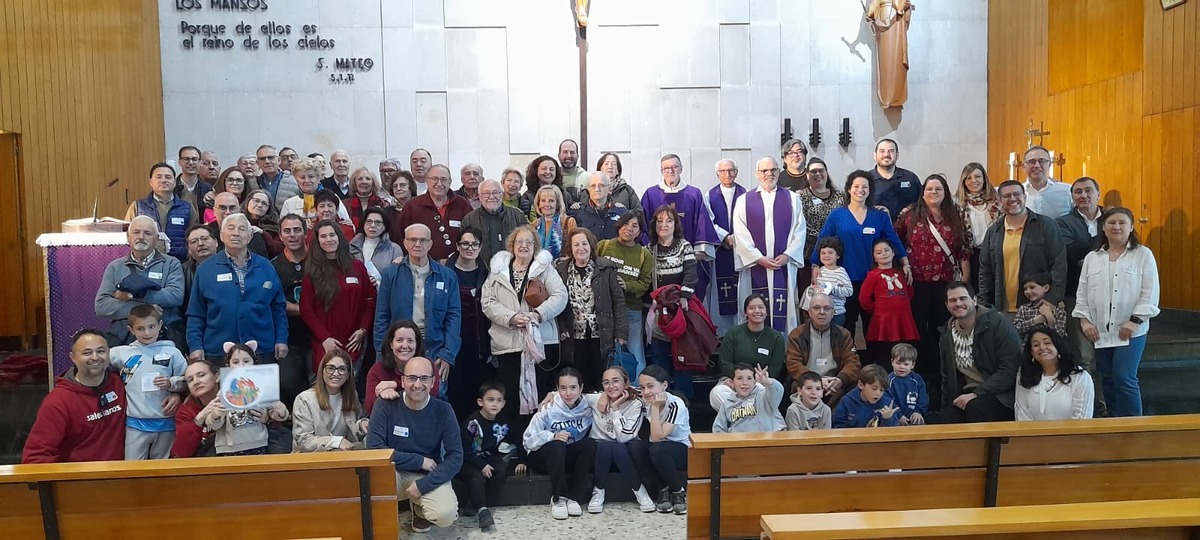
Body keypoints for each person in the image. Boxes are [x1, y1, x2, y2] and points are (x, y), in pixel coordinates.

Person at [480, 225, 569, 445]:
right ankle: (513, 443)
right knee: (510, 394)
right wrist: (511, 317)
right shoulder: (498, 271)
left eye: (529, 242)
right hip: (507, 342)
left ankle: (542, 441)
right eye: (520, 241)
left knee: (541, 393)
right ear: (512, 245)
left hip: (540, 343)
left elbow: (560, 295)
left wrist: (538, 314)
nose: (524, 246)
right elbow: (488, 302)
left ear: (535, 246)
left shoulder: (545, 269)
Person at [1074, 207, 1159, 417]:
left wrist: (1134, 321)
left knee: (1124, 377)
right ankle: (1114, 423)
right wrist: (1085, 321)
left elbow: (1150, 292)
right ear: (1103, 227)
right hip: (1100, 331)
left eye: (1122, 223)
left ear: (1131, 227)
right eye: (1111, 223)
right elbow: (1082, 292)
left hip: (1130, 330)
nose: (1117, 227)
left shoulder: (1143, 255)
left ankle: (1133, 426)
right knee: (1108, 378)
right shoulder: (1092, 257)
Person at [367, 356, 463, 533]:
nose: (417, 384)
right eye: (412, 378)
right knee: (365, 488)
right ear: (403, 381)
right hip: (393, 471)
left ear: (433, 382)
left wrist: (423, 485)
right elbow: (374, 448)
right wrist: (419, 461)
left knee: (445, 515)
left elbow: (455, 457)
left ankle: (419, 510)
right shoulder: (385, 405)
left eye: (424, 378)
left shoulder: (444, 410)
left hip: (426, 475)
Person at [893, 173, 969, 395]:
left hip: (946, 283)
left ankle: (942, 373)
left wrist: (965, 278)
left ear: (945, 192)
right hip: (917, 282)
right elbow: (895, 240)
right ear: (922, 192)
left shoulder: (955, 214)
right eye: (929, 189)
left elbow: (962, 247)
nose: (933, 193)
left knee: (943, 328)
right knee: (918, 328)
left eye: (938, 189)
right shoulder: (910, 215)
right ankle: (918, 373)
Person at [812, 170, 910, 340]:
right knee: (846, 325)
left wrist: (905, 262)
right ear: (849, 189)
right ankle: (847, 356)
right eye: (856, 186)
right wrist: (815, 265)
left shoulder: (879, 216)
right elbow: (823, 240)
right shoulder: (837, 215)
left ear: (870, 190)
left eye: (865, 187)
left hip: (874, 279)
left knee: (872, 325)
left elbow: (893, 239)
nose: (860, 190)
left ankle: (873, 357)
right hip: (844, 279)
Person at [372, 223, 462, 398]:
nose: (417, 244)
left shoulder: (447, 276)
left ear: (430, 244)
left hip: (434, 347)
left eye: (423, 240)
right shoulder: (391, 273)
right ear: (405, 243)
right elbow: (381, 316)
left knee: (435, 396)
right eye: (413, 240)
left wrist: (448, 354)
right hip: (399, 346)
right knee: (394, 395)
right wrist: (382, 352)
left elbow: (454, 316)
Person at [186, 214, 289, 364]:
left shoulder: (266, 266)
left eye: (242, 229)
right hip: (218, 351)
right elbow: (196, 313)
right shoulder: (206, 269)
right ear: (222, 235)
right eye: (231, 228)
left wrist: (281, 339)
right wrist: (195, 345)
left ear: (250, 236)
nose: (236, 233)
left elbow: (278, 307)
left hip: (261, 349)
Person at [22, 329, 127, 463]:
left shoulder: (121, 383)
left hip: (122, 473)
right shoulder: (58, 402)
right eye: (87, 353)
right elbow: (35, 458)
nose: (95, 357)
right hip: (79, 475)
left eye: (101, 351)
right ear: (73, 358)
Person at [733, 156, 807, 333]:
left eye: (773, 170)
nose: (769, 174)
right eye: (764, 170)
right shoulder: (744, 200)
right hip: (755, 266)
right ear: (757, 174)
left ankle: (782, 346)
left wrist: (788, 255)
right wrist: (758, 258)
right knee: (754, 306)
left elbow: (800, 230)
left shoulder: (792, 198)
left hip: (783, 265)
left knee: (784, 310)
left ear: (779, 172)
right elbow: (740, 234)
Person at [108, 304, 187, 460]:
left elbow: (187, 380)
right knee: (133, 468)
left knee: (163, 468)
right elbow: (98, 363)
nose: (147, 333)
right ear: (131, 330)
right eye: (140, 328)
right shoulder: (121, 353)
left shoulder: (173, 353)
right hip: (135, 424)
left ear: (160, 325)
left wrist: (171, 384)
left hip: (166, 422)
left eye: (151, 327)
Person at [554, 227, 628, 391]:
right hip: (573, 335)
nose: (581, 248)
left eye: (584, 244)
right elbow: (556, 302)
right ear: (570, 247)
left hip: (601, 332)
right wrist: (562, 327)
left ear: (591, 246)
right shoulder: (561, 270)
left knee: (600, 375)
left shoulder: (605, 269)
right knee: (579, 376)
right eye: (576, 244)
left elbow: (618, 301)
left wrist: (621, 333)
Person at [640, 154, 722, 302]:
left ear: (681, 169)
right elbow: (643, 224)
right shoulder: (651, 194)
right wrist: (650, 250)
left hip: (689, 255)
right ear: (661, 171)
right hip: (658, 256)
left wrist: (700, 250)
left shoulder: (694, 193)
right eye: (666, 168)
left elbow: (703, 221)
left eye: (674, 167)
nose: (670, 171)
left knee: (690, 295)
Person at [978, 181, 1067, 316]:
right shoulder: (993, 232)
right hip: (1002, 310)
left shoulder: (1046, 226)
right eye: (1007, 196)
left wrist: (1052, 299)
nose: (1012, 198)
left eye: (1017, 194)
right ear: (1000, 201)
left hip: (1038, 307)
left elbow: (1059, 265)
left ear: (1025, 197)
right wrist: (983, 305)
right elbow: (985, 271)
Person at [95, 216, 185, 347]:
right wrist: (145, 309)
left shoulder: (171, 264)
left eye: (147, 233)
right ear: (128, 237)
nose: (141, 237)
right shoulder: (115, 267)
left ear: (157, 239)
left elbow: (175, 296)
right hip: (124, 339)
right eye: (136, 232)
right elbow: (101, 306)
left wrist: (130, 297)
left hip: (164, 337)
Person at [301, 219, 376, 373]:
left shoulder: (357, 266)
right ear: (317, 241)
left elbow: (370, 301)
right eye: (323, 236)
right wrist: (324, 338)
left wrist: (363, 330)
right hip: (326, 344)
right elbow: (306, 309)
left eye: (332, 235)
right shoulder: (312, 271)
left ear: (339, 237)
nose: (328, 239)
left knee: (351, 384)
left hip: (353, 343)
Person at [939, 281, 1021, 423]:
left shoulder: (998, 323)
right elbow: (946, 377)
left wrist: (977, 394)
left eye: (963, 298)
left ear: (974, 300)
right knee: (944, 420)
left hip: (1000, 395)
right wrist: (946, 407)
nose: (958, 303)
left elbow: (1010, 368)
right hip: (966, 394)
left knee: (976, 409)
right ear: (947, 305)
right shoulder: (946, 334)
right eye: (952, 300)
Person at [1057, 176, 1105, 413]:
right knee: (1084, 354)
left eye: (1088, 191)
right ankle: (1089, 406)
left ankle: (1107, 403)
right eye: (1078, 192)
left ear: (1098, 193)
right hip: (1076, 295)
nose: (1083, 195)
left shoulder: (1113, 218)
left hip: (1111, 297)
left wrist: (1088, 256)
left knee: (1108, 354)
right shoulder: (1063, 223)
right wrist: (1106, 251)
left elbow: (1124, 245)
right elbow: (1071, 251)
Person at [523, 367, 597, 520]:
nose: (568, 393)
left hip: (566, 456)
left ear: (581, 388)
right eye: (563, 388)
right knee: (558, 444)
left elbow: (611, 393)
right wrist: (552, 436)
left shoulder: (588, 407)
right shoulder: (548, 406)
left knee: (589, 444)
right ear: (557, 389)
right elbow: (528, 441)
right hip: (543, 457)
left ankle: (574, 497)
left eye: (573, 387)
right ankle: (558, 498)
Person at [584, 366, 657, 514]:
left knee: (617, 448)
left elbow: (624, 437)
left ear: (626, 383)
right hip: (600, 454)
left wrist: (615, 409)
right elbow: (570, 394)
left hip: (624, 453)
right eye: (606, 382)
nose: (611, 386)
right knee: (605, 447)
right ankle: (598, 492)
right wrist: (550, 395)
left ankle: (639, 491)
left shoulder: (636, 403)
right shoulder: (596, 399)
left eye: (615, 381)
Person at [647, 205, 699, 397]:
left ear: (675, 224)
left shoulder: (684, 246)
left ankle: (684, 398)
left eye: (669, 221)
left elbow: (691, 273)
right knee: (659, 355)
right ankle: (661, 397)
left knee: (682, 356)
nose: (664, 225)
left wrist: (684, 295)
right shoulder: (649, 249)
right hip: (659, 312)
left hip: (680, 310)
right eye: (660, 221)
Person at [204, 343, 290, 456]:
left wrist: (281, 411)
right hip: (228, 448)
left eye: (246, 361)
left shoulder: (262, 389)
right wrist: (215, 415)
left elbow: (277, 415)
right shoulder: (224, 392)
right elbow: (213, 424)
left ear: (254, 363)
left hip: (258, 444)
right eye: (235, 362)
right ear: (228, 365)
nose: (241, 365)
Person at [445, 227, 495, 420]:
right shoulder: (445, 272)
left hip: (479, 342)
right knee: (454, 391)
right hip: (452, 341)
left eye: (474, 244)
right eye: (465, 243)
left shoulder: (487, 274)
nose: (470, 248)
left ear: (480, 247)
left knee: (476, 391)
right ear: (457, 246)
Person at [597, 213, 653, 380]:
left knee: (635, 354)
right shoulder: (604, 246)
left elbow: (645, 284)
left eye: (635, 226)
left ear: (639, 232)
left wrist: (627, 285)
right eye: (626, 224)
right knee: (604, 354)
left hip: (631, 310)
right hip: (604, 310)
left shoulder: (644, 254)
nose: (629, 228)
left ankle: (638, 389)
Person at [630, 364, 690, 516]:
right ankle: (662, 490)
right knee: (635, 446)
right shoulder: (645, 400)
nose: (646, 392)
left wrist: (655, 408)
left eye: (650, 386)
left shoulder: (676, 404)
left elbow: (658, 437)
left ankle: (678, 492)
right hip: (657, 450)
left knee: (657, 448)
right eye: (642, 387)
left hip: (681, 450)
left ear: (664, 385)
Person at [785, 293, 862, 408]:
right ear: (809, 312)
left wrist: (840, 379)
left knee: (855, 385)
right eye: (816, 308)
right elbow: (793, 364)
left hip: (835, 382)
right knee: (796, 385)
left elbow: (853, 362)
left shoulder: (843, 334)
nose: (822, 312)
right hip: (808, 381)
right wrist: (817, 382)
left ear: (833, 313)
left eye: (827, 308)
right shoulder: (797, 335)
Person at [455, 381, 510, 531]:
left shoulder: (503, 421)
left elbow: (515, 438)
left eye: (499, 400)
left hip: (487, 455)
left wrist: (522, 460)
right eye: (490, 400)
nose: (495, 404)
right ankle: (482, 511)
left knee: (501, 469)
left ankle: (478, 502)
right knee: (476, 476)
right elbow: (464, 450)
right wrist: (482, 465)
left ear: (504, 403)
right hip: (467, 458)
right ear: (481, 402)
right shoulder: (472, 422)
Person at [292, 349, 370, 452]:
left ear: (348, 374)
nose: (336, 373)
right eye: (330, 368)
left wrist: (362, 425)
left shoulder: (351, 395)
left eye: (342, 369)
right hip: (312, 457)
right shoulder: (304, 399)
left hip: (344, 455)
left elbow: (353, 430)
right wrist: (336, 442)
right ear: (322, 371)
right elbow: (304, 441)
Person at [395, 164, 474, 262]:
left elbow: (472, 234)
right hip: (422, 266)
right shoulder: (412, 206)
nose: (439, 184)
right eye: (435, 179)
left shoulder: (462, 204)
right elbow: (399, 236)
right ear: (427, 181)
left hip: (457, 265)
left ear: (450, 182)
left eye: (443, 179)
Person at [1015, 327, 1094, 421]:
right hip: (1032, 430)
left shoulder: (1079, 377)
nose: (1042, 347)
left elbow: (1081, 418)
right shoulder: (1025, 375)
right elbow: (1022, 414)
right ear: (1032, 352)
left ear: (1057, 346)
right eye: (1036, 345)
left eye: (1047, 343)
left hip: (1072, 430)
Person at [124, 163, 198, 260]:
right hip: (145, 261)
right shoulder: (137, 206)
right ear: (151, 182)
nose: (163, 180)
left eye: (168, 177)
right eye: (159, 177)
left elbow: (194, 235)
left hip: (180, 261)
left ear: (174, 182)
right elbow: (128, 234)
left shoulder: (187, 208)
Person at [707, 159, 746, 332]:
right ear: (717, 174)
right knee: (720, 291)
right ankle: (722, 331)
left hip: (740, 249)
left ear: (736, 173)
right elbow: (709, 221)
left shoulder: (746, 195)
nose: (727, 174)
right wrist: (724, 237)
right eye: (723, 171)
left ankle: (740, 327)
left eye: (731, 170)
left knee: (740, 289)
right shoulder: (709, 196)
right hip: (721, 250)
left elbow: (749, 220)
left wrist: (736, 238)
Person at [797, 158, 848, 289]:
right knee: (810, 292)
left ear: (826, 173)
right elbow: (801, 223)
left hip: (836, 254)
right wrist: (824, 240)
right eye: (813, 171)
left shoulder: (841, 196)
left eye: (821, 171)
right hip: (809, 253)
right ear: (807, 175)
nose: (818, 174)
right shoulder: (800, 196)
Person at [717, 294, 787, 382]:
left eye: (761, 307)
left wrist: (759, 378)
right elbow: (724, 363)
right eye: (752, 308)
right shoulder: (733, 334)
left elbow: (775, 368)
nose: (757, 311)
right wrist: (743, 378)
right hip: (735, 381)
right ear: (745, 312)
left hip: (763, 382)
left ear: (766, 311)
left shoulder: (776, 338)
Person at [956, 163, 1001, 286]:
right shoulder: (958, 205)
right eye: (969, 178)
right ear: (964, 181)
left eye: (977, 176)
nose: (973, 181)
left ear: (984, 179)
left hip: (997, 252)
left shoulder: (997, 201)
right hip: (973, 255)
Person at [461, 179, 527, 263]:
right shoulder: (469, 219)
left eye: (495, 192)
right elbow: (464, 247)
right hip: (480, 268)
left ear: (502, 194)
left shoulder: (517, 215)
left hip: (512, 267)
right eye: (486, 193)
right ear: (479, 196)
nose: (491, 197)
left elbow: (527, 241)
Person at [367, 320, 424, 414]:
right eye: (399, 340)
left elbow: (432, 395)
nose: (405, 346)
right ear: (391, 344)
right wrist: (383, 395)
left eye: (410, 341)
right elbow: (370, 407)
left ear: (416, 344)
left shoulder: (427, 367)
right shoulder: (377, 370)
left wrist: (395, 385)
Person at [712, 364, 785, 433]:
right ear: (732, 382)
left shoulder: (763, 397)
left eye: (749, 378)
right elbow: (718, 429)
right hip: (738, 440)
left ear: (754, 382)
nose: (745, 383)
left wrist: (768, 381)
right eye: (739, 378)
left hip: (763, 440)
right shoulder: (727, 404)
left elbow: (778, 391)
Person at [279, 158, 352, 226]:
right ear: (296, 179)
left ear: (319, 177)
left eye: (311, 176)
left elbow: (346, 223)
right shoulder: (289, 204)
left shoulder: (333, 198)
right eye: (302, 177)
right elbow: (283, 228)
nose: (307, 181)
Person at [170, 360, 219, 458]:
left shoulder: (234, 400)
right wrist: (199, 419)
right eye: (190, 380)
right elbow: (181, 452)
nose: (196, 382)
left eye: (201, 375)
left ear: (217, 377)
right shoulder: (185, 410)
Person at [867, 139, 922, 221]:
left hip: (906, 227)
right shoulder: (865, 180)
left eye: (891, 151)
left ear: (897, 155)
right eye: (882, 151)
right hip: (874, 227)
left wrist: (912, 209)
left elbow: (922, 203)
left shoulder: (910, 178)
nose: (886, 154)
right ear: (875, 155)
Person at [349, 206, 403, 287]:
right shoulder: (352, 246)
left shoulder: (394, 249)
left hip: (383, 291)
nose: (373, 225)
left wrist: (378, 283)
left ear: (384, 227)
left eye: (378, 222)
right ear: (363, 225)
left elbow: (398, 278)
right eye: (369, 221)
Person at [832, 364, 899, 428]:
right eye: (874, 388)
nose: (878, 393)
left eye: (882, 390)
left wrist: (887, 419)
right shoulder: (847, 402)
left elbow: (894, 432)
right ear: (861, 385)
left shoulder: (887, 404)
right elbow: (837, 427)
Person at [208, 192, 271, 257]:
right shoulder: (207, 233)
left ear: (239, 210)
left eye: (232, 208)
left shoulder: (252, 234)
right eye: (223, 208)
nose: (228, 212)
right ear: (214, 210)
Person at [569, 172, 629, 241]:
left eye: (601, 185)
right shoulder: (576, 212)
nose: (597, 189)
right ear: (588, 189)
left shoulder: (622, 212)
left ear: (609, 189)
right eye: (593, 186)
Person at [181, 224, 218, 333]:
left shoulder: (231, 266)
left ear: (216, 242)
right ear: (188, 249)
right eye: (194, 241)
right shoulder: (182, 271)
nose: (201, 244)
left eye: (205, 239)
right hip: (194, 327)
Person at [811, 237, 854, 327]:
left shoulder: (841, 272)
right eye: (823, 253)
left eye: (830, 253)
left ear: (837, 255)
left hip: (836, 313)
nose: (826, 255)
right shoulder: (819, 271)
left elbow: (849, 291)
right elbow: (814, 288)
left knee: (835, 334)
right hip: (820, 313)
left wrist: (832, 289)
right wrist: (814, 289)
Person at [1021, 146, 1071, 218]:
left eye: (1041, 161)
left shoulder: (1067, 191)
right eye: (1032, 162)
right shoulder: (1016, 193)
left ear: (1049, 165)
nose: (1037, 165)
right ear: (1024, 166)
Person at [1013, 272, 1068, 339]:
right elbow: (1015, 329)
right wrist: (1035, 321)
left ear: (1046, 288)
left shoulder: (1058, 309)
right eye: (1025, 289)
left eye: (1032, 287)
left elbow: (1060, 335)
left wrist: (1050, 318)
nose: (1027, 291)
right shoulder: (1023, 308)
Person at [885, 343, 927, 425]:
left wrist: (918, 412)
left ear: (913, 365)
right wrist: (899, 415)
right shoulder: (888, 380)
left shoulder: (917, 379)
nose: (902, 367)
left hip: (914, 416)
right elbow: (887, 401)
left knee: (920, 422)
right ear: (892, 362)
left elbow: (923, 398)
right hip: (895, 417)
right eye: (898, 363)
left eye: (906, 364)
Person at [530, 185, 577, 258]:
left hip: (561, 264)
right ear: (538, 204)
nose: (547, 204)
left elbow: (574, 248)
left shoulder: (568, 222)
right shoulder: (534, 224)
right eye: (543, 200)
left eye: (551, 201)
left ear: (557, 204)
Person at [257, 144, 301, 209]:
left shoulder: (294, 181)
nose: (267, 161)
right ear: (258, 163)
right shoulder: (254, 183)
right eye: (262, 159)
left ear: (279, 160)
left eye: (271, 158)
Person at [175, 146, 213, 219]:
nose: (191, 162)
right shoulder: (173, 187)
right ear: (179, 162)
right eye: (186, 159)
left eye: (194, 159)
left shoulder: (208, 188)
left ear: (200, 162)